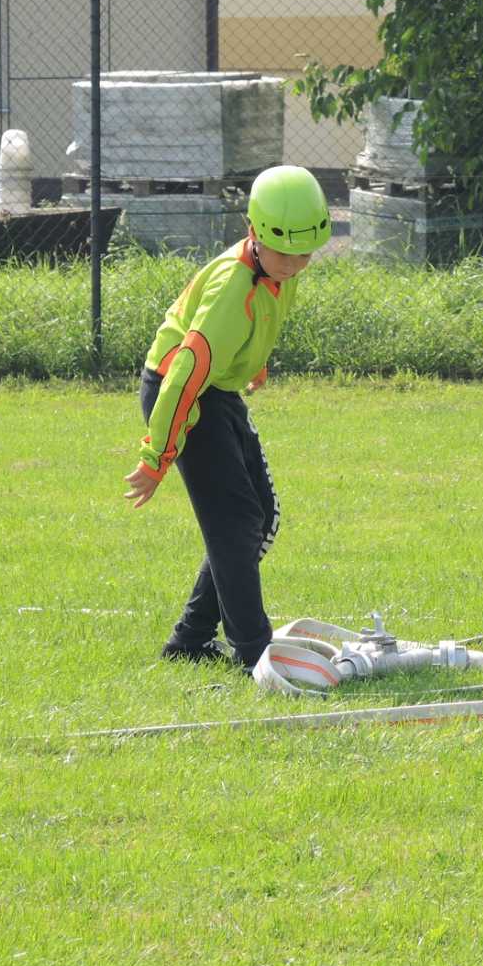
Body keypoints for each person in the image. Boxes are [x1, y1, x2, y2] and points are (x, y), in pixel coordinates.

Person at [122, 165, 331, 672]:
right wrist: (157, 457)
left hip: (218, 392)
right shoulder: (231, 288)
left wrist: (251, 364)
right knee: (236, 524)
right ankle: (255, 652)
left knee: (261, 517)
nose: (296, 264)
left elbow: (261, 319)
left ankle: (190, 640)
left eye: (306, 253)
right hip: (184, 396)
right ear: (256, 232)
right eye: (286, 252)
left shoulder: (278, 272)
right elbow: (185, 374)